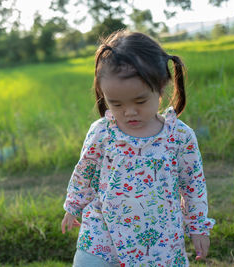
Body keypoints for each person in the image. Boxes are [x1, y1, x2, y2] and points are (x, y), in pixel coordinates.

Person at [61, 30, 215, 267]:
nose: (129, 112)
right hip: (102, 234)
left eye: (140, 101)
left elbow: (193, 185)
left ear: (162, 86)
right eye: (116, 103)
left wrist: (198, 226)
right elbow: (85, 171)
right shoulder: (103, 132)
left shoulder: (179, 136)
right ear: (104, 94)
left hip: (159, 239)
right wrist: (72, 205)